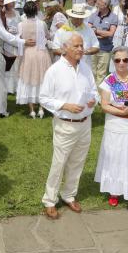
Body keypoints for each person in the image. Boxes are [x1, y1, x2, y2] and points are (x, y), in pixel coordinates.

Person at [39, 33, 98, 220]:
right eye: (76, 46)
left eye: (82, 45)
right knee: (59, 163)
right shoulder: (54, 70)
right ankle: (49, 200)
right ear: (65, 48)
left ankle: (69, 195)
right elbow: (44, 98)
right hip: (65, 124)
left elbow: (95, 91)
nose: (81, 49)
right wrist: (65, 106)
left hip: (85, 123)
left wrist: (92, 101)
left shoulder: (86, 69)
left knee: (77, 162)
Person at [94, 46, 128, 207]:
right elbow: (104, 105)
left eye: (125, 59)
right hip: (116, 125)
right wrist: (122, 112)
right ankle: (114, 190)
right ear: (113, 61)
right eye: (117, 60)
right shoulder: (108, 81)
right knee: (116, 157)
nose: (121, 63)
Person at [17, 0, 52, 118]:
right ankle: (41, 108)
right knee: (42, 79)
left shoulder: (21, 24)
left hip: (28, 53)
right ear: (36, 11)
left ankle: (32, 110)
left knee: (29, 79)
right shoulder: (42, 24)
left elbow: (19, 39)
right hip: (41, 53)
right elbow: (48, 36)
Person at [89, 0, 119, 84]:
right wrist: (102, 33)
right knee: (93, 72)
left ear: (105, 5)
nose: (97, 5)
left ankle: (99, 95)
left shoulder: (113, 17)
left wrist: (96, 30)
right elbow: (89, 29)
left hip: (105, 49)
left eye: (99, 3)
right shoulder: (94, 15)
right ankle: (93, 94)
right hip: (93, 48)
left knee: (101, 74)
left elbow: (110, 33)